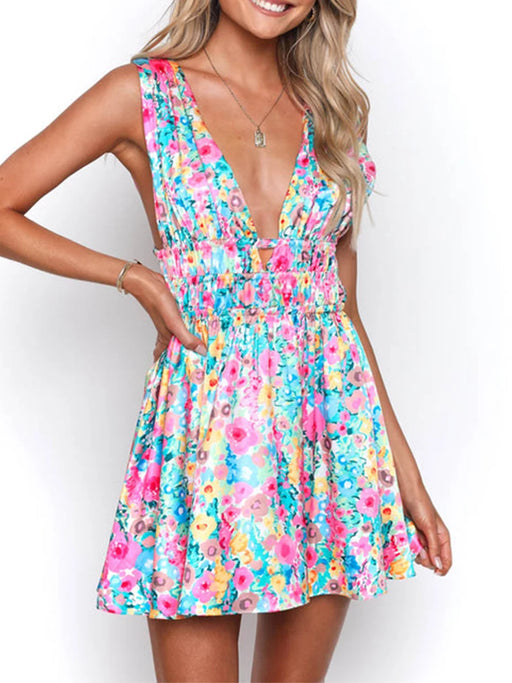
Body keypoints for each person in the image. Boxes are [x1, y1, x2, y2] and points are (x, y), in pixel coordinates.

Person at [0, 1, 452, 681]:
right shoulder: (141, 95)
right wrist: (134, 278)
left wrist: (406, 476)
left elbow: (344, 313)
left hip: (329, 445)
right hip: (204, 444)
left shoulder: (334, 112)